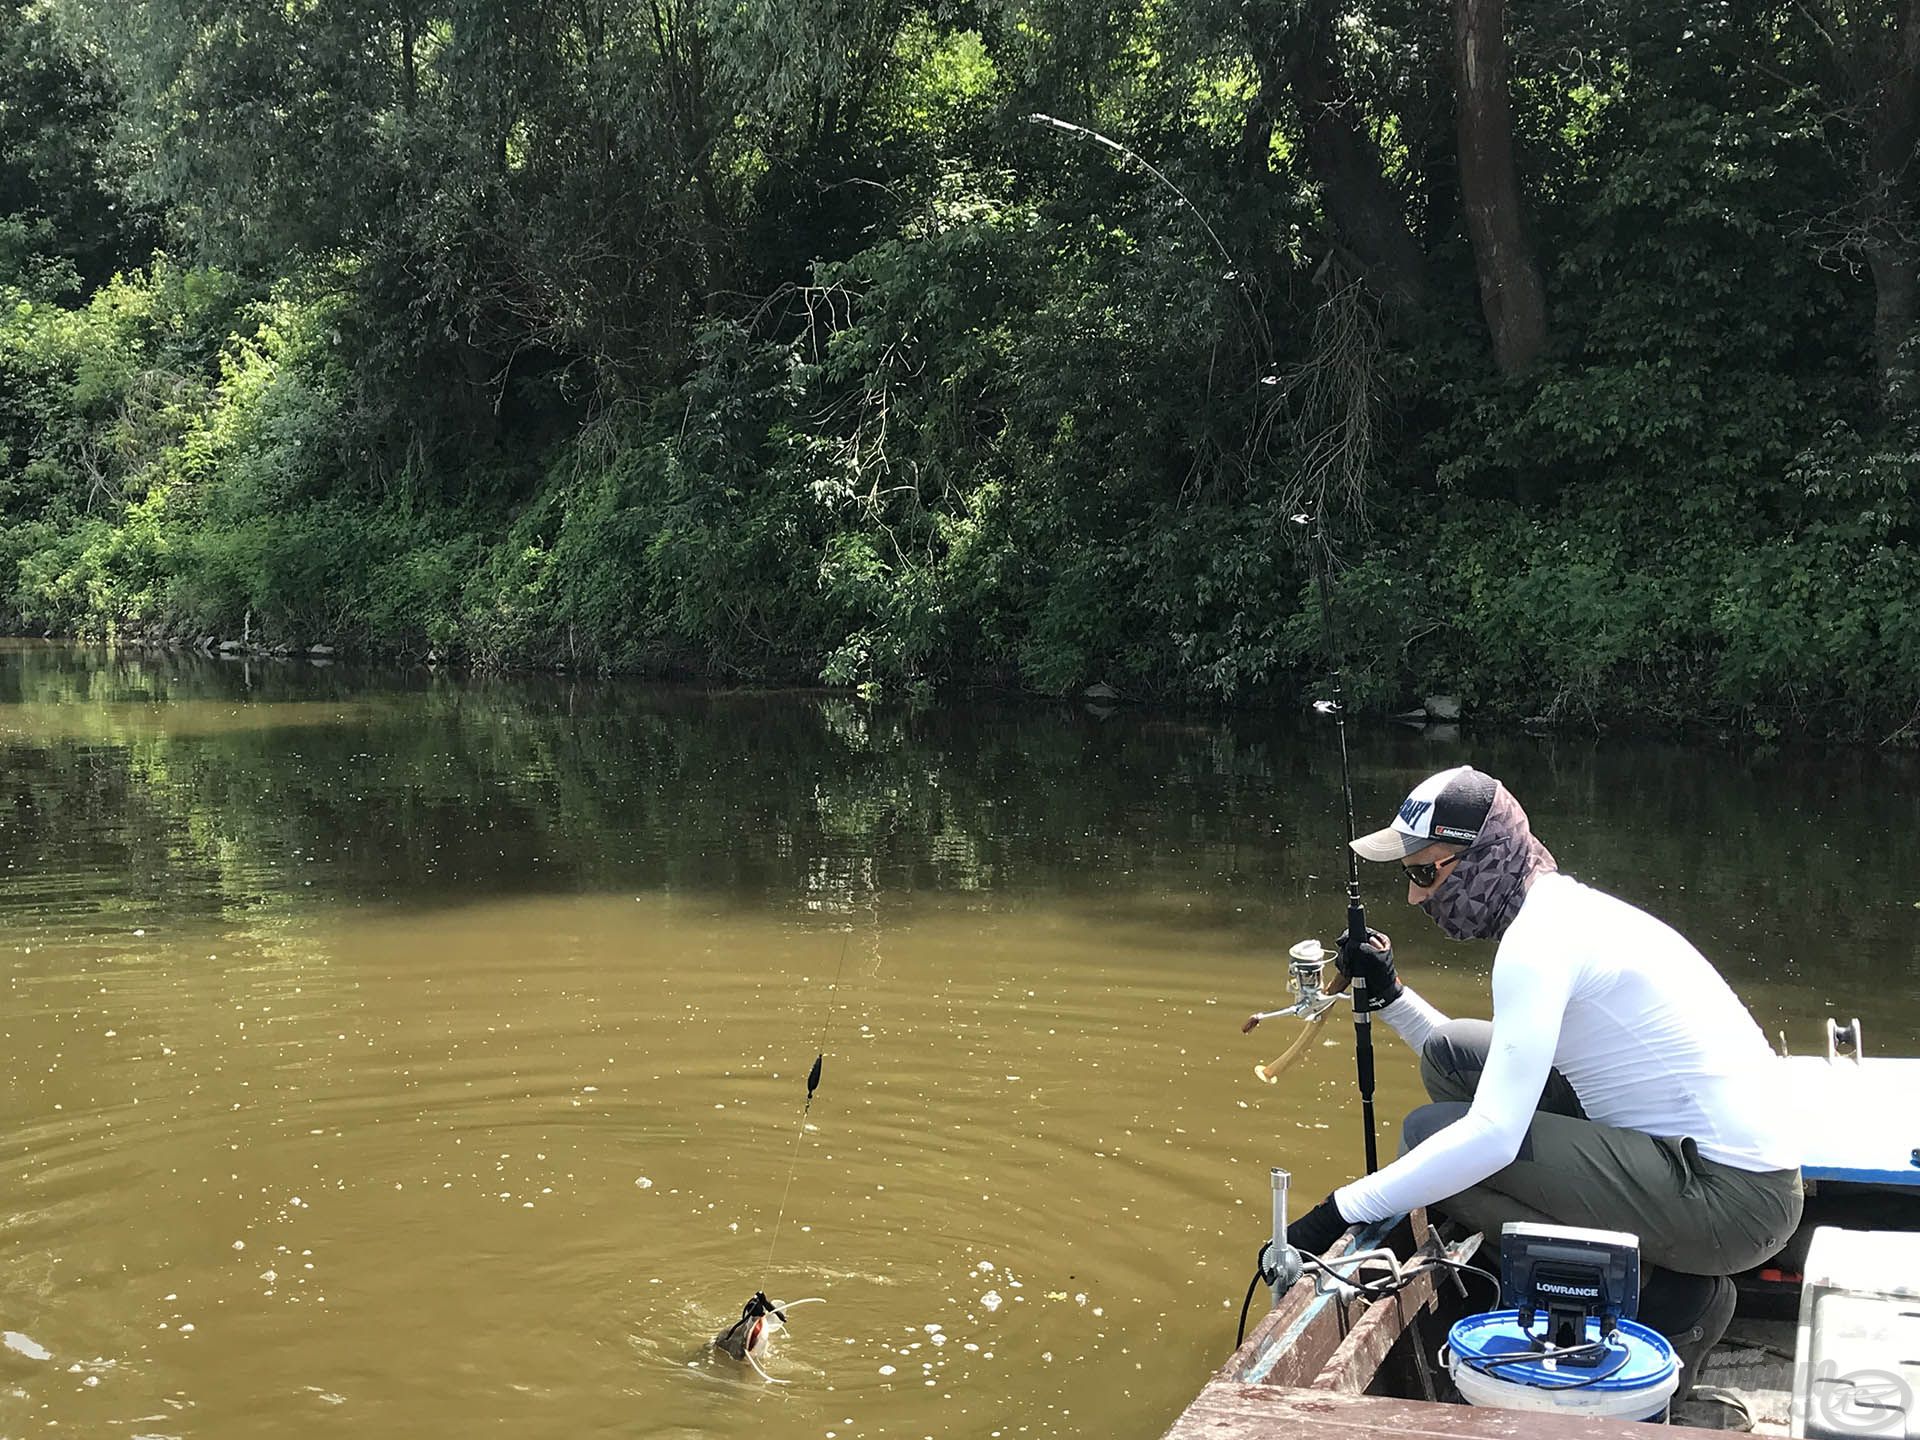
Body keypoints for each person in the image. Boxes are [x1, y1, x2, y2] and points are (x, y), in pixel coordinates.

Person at [1279, 765, 1802, 1389]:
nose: (1416, 897)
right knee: (1451, 1055)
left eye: (1427, 873)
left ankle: (1670, 1291)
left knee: (1429, 1140)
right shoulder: (1562, 912)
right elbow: (1497, 1083)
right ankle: (1631, 1256)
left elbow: (1494, 1135)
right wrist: (1390, 995)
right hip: (1712, 1171)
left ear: (1485, 856)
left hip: (1734, 1204)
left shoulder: (1536, 944)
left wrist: (1337, 1211)